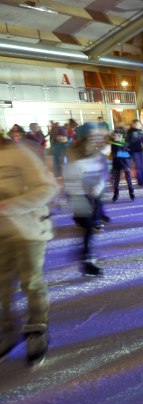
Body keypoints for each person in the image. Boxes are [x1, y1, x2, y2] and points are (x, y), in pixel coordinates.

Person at [0, 136, 58, 366]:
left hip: (29, 230)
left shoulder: (18, 154)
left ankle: (36, 329)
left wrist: (8, 206)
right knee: (2, 286)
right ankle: (7, 329)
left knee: (31, 282)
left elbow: (49, 188)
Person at [63, 123, 109, 276]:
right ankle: (86, 259)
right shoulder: (74, 152)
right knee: (87, 226)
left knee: (89, 228)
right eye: (92, 134)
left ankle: (86, 254)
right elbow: (70, 175)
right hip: (78, 195)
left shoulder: (96, 151)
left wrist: (98, 185)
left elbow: (102, 171)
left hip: (92, 196)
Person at [110, 131, 134, 202]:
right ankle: (116, 194)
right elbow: (116, 156)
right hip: (117, 164)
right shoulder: (113, 145)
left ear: (121, 136)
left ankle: (131, 192)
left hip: (126, 163)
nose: (116, 137)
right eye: (115, 136)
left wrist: (123, 155)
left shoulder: (125, 143)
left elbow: (129, 154)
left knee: (128, 179)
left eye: (118, 136)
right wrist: (124, 154)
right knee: (116, 180)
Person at [126, 120, 143, 186]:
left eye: (137, 124)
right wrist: (126, 150)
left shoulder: (142, 132)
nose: (136, 125)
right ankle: (140, 181)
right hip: (134, 151)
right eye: (134, 124)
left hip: (140, 151)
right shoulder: (130, 132)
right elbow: (127, 142)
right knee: (139, 166)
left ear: (140, 125)